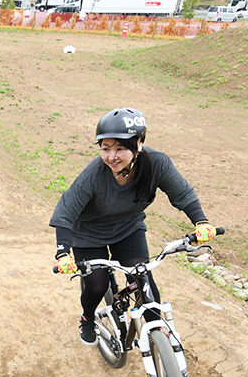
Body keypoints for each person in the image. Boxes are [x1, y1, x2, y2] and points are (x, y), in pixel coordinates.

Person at [50, 108, 217, 345]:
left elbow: (183, 194)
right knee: (97, 286)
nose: (112, 157)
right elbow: (66, 211)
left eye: (120, 148)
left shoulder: (156, 164)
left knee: (143, 278)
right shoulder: (95, 174)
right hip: (88, 233)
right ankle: (88, 318)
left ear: (137, 145)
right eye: (105, 148)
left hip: (128, 228)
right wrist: (63, 252)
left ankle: (156, 336)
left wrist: (201, 221)